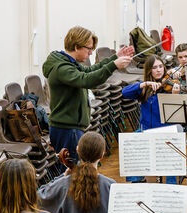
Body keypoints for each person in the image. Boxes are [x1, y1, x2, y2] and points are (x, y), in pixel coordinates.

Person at [43, 25, 133, 162]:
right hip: (67, 129)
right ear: (76, 46)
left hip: (71, 128)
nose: (91, 53)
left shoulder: (69, 63)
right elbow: (86, 80)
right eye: (89, 48)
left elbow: (90, 71)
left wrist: (115, 58)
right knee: (71, 173)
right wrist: (114, 65)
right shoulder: (62, 68)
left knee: (75, 172)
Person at [38, 132, 115, 213]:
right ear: (102, 154)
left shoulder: (63, 184)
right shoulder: (111, 185)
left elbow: (39, 196)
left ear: (77, 149)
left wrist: (62, 177)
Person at [122, 55, 180, 183]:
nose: (159, 70)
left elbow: (177, 113)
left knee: (171, 153)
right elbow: (124, 92)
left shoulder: (170, 87)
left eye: (160, 66)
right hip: (146, 131)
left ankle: (172, 186)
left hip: (166, 132)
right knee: (130, 143)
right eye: (154, 68)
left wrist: (175, 96)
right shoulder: (145, 89)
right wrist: (144, 84)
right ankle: (138, 182)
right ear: (149, 71)